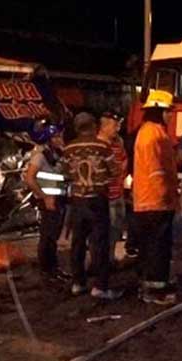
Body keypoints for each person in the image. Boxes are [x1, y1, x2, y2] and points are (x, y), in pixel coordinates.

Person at [62, 112, 122, 300]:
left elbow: (66, 173)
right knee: (100, 243)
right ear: (94, 126)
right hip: (98, 199)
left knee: (78, 243)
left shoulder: (68, 148)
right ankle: (100, 286)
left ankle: (78, 283)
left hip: (78, 200)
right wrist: (101, 181)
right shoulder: (103, 146)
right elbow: (115, 170)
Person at [132, 89, 179, 305]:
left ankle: (151, 284)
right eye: (168, 111)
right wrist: (167, 197)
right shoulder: (153, 135)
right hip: (155, 201)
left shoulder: (152, 131)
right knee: (156, 247)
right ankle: (154, 290)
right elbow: (157, 171)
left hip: (150, 201)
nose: (171, 115)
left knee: (152, 247)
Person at [25, 121, 70, 283]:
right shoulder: (40, 155)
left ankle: (54, 269)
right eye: (57, 136)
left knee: (53, 237)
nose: (60, 139)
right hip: (48, 201)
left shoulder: (56, 154)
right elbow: (29, 178)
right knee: (48, 237)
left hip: (59, 199)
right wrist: (44, 197)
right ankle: (47, 271)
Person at [96, 111, 128, 265]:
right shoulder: (96, 144)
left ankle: (109, 259)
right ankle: (100, 261)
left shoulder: (118, 142)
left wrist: (121, 172)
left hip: (118, 193)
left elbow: (124, 159)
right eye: (115, 125)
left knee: (116, 229)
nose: (118, 128)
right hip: (104, 197)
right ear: (105, 126)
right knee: (102, 232)